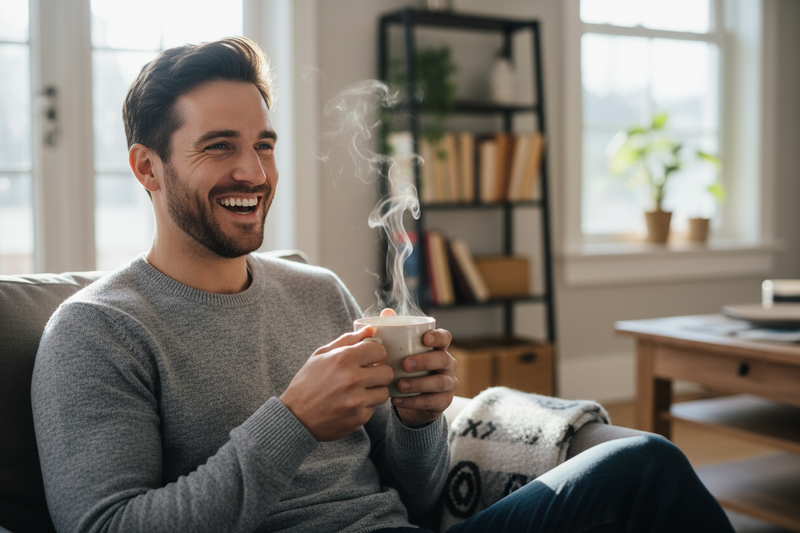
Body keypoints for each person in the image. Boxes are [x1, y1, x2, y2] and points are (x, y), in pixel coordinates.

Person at [31, 37, 735, 533]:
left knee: (644, 463)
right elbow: (108, 524)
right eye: (220, 147)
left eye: (264, 145)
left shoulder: (317, 292)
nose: (253, 171)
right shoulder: (98, 331)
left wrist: (418, 419)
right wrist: (292, 421)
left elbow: (419, 496)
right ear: (147, 167)